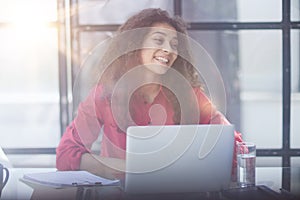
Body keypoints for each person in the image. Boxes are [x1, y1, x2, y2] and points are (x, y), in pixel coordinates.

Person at [56, 8, 243, 180]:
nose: (169, 50)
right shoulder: (105, 95)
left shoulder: (189, 96)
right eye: (158, 40)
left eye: (174, 44)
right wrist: (126, 168)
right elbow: (66, 153)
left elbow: (233, 145)